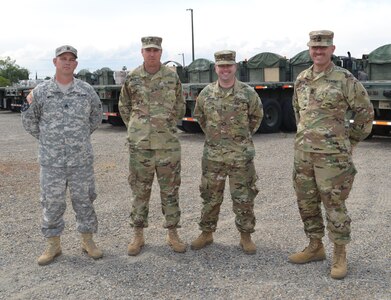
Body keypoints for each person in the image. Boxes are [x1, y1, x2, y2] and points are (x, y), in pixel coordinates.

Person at [289, 30, 374, 279]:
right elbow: (298, 111)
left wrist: (349, 141)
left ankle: (339, 253)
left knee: (334, 204)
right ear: (309, 50)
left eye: (323, 48)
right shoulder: (302, 79)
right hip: (304, 154)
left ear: (332, 49)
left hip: (332, 157)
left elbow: (365, 113)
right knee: (306, 202)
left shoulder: (344, 79)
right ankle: (315, 246)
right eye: (314, 48)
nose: (318, 52)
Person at [21, 45, 104, 265]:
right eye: (63, 58)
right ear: (54, 62)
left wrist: (79, 137)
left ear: (76, 64)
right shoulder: (40, 92)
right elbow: (29, 120)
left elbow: (96, 117)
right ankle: (53, 245)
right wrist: (49, 140)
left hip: (81, 160)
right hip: (52, 162)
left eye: (71, 59)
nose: (67, 62)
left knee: (84, 200)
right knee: (52, 202)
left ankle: (88, 241)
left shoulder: (86, 91)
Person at [118, 36, 186, 256]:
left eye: (155, 50)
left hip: (167, 145)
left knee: (170, 191)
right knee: (139, 191)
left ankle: (173, 233)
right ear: (141, 52)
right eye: (148, 50)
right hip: (141, 147)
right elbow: (124, 106)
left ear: (161, 52)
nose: (152, 54)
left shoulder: (171, 77)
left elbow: (180, 107)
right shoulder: (133, 78)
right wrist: (137, 128)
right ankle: (138, 235)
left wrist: (164, 125)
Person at [191, 50, 263, 254]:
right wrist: (217, 139)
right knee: (210, 197)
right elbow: (201, 118)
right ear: (216, 68)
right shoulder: (206, 94)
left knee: (244, 197)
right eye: (221, 66)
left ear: (235, 67)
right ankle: (206, 233)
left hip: (241, 157)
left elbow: (256, 118)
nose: (225, 69)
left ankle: (245, 236)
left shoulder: (248, 93)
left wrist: (240, 139)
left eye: (228, 65)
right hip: (213, 156)